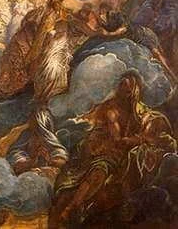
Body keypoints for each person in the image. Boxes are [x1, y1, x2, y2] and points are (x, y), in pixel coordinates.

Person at [51, 71, 176, 227]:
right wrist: (135, 139)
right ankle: (72, 207)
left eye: (129, 88)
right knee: (100, 170)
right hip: (106, 149)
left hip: (123, 150)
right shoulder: (112, 110)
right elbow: (116, 139)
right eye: (123, 86)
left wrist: (145, 136)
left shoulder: (138, 111)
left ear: (135, 90)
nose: (126, 90)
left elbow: (150, 122)